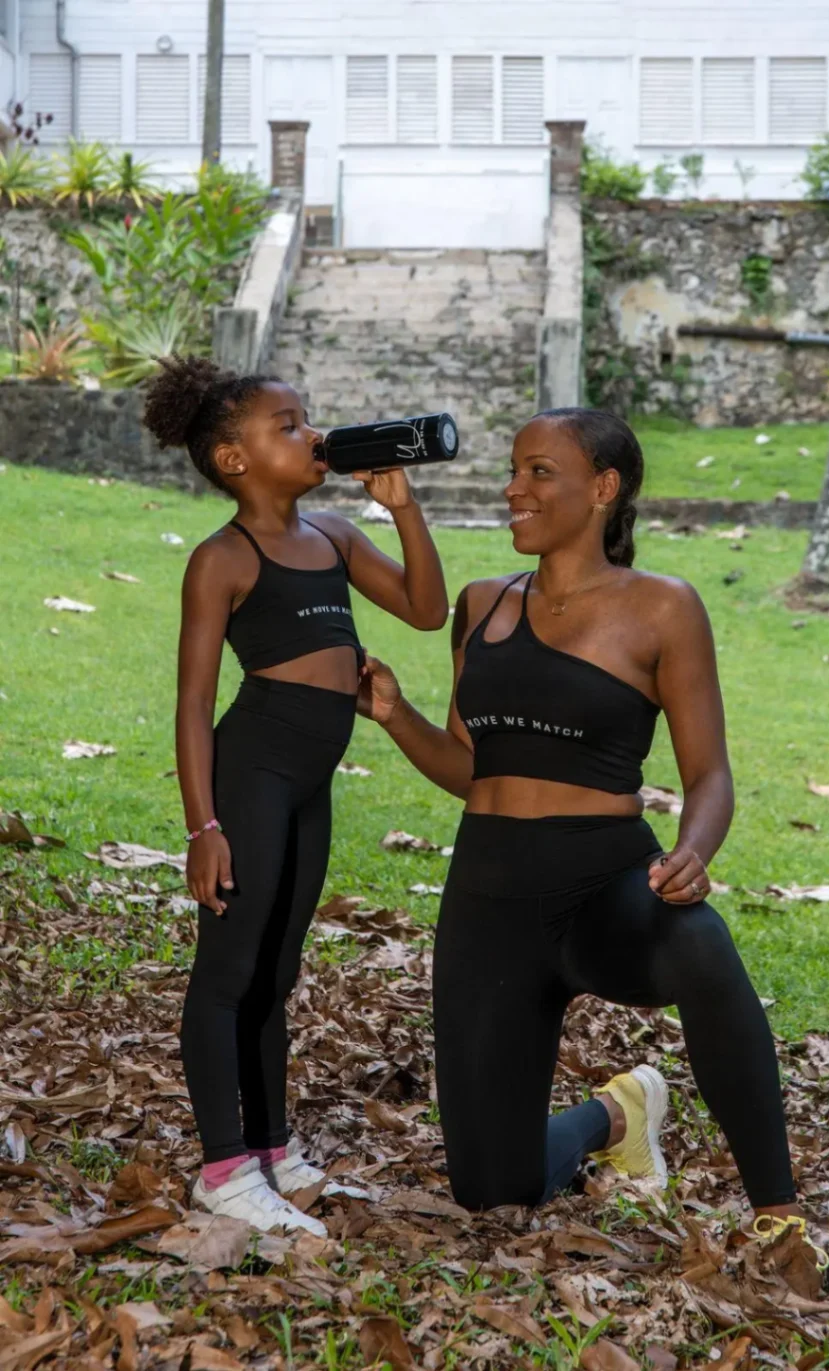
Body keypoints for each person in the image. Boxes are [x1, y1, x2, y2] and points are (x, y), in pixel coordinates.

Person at [358, 407, 820, 1256]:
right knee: (492, 1190)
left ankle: (780, 1213)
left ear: (602, 489)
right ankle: (619, 1112)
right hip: (488, 900)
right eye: (514, 469)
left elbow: (709, 774)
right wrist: (394, 715)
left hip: (604, 888)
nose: (514, 487)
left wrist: (695, 850)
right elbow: (471, 766)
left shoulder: (662, 609)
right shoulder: (482, 604)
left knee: (701, 944)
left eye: (540, 471)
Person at [143, 356, 448, 1235]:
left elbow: (425, 609)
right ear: (234, 460)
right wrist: (203, 823)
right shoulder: (223, 559)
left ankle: (272, 1150)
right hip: (252, 772)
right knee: (230, 971)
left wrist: (402, 506)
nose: (312, 433)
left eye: (308, 417)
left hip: (310, 781)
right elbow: (195, 702)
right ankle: (224, 1169)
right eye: (287, 424)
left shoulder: (337, 535)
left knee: (277, 970)